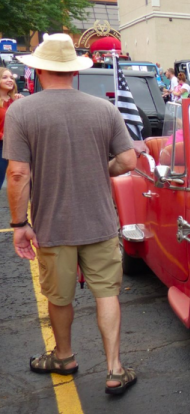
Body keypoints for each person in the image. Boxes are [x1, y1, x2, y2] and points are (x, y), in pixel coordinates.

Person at [3, 33, 138, 394]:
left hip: (53, 224)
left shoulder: (21, 110)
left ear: (41, 70)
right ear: (74, 72)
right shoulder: (104, 109)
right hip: (101, 223)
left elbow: (17, 173)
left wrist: (19, 225)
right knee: (107, 294)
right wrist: (101, 167)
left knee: (59, 296)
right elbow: (128, 160)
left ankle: (64, 357)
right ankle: (114, 369)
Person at [0, 67, 24, 190]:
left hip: (13, 145)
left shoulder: (14, 101)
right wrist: (2, 136)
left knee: (18, 177)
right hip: (1, 144)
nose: (10, 80)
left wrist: (19, 103)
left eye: (11, 77)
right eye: (4, 77)